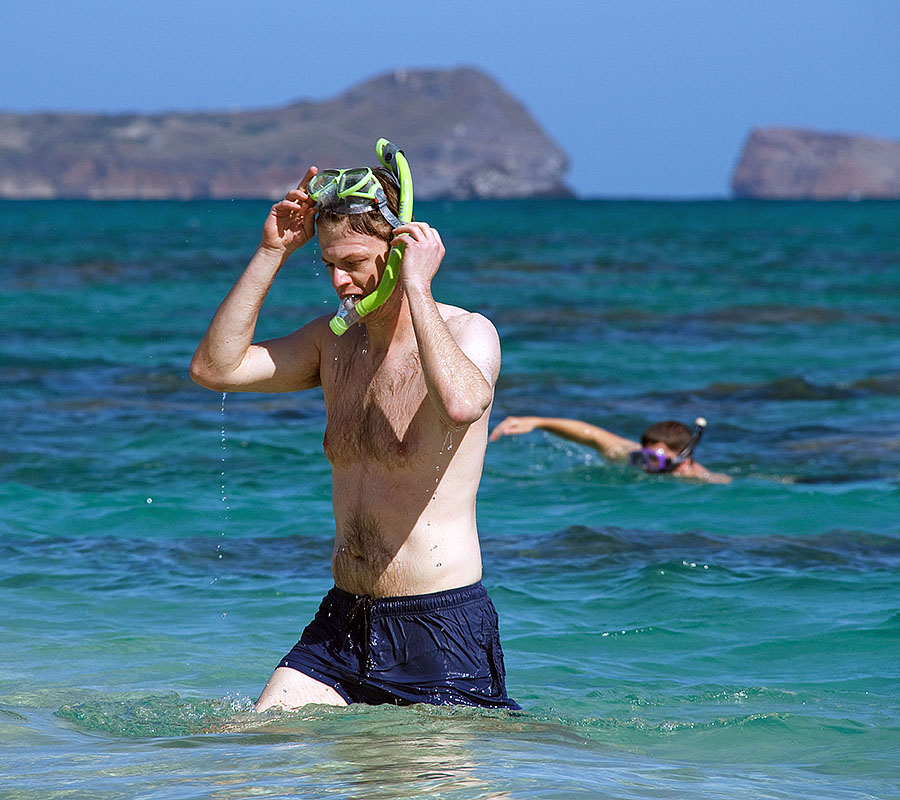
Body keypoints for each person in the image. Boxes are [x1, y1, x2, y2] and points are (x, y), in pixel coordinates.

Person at [190, 154, 519, 712]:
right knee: (238, 761)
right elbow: (215, 369)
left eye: (356, 262)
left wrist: (415, 287)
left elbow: (463, 404)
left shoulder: (469, 331)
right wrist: (272, 252)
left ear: (399, 250)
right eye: (328, 265)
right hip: (343, 621)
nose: (340, 281)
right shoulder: (333, 343)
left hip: (436, 627)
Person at [490, 415, 731, 484]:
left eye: (655, 459)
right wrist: (537, 422)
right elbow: (591, 434)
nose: (646, 464)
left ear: (683, 460)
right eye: (643, 455)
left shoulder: (699, 478)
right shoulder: (631, 457)